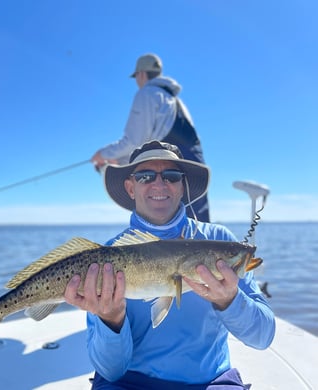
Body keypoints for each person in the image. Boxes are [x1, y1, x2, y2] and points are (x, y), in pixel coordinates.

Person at [65, 140, 276, 389]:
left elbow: (262, 337)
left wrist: (230, 300)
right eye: (145, 176)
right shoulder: (105, 259)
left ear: (182, 186)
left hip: (208, 382)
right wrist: (110, 319)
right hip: (129, 383)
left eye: (171, 175)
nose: (159, 183)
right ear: (130, 187)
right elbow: (110, 371)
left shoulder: (219, 240)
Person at [91, 53, 210, 222]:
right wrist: (121, 160)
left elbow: (133, 141)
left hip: (167, 171)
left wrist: (103, 155)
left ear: (140, 74)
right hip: (188, 171)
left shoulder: (146, 94)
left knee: (166, 228)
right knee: (198, 228)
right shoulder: (175, 101)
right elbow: (149, 140)